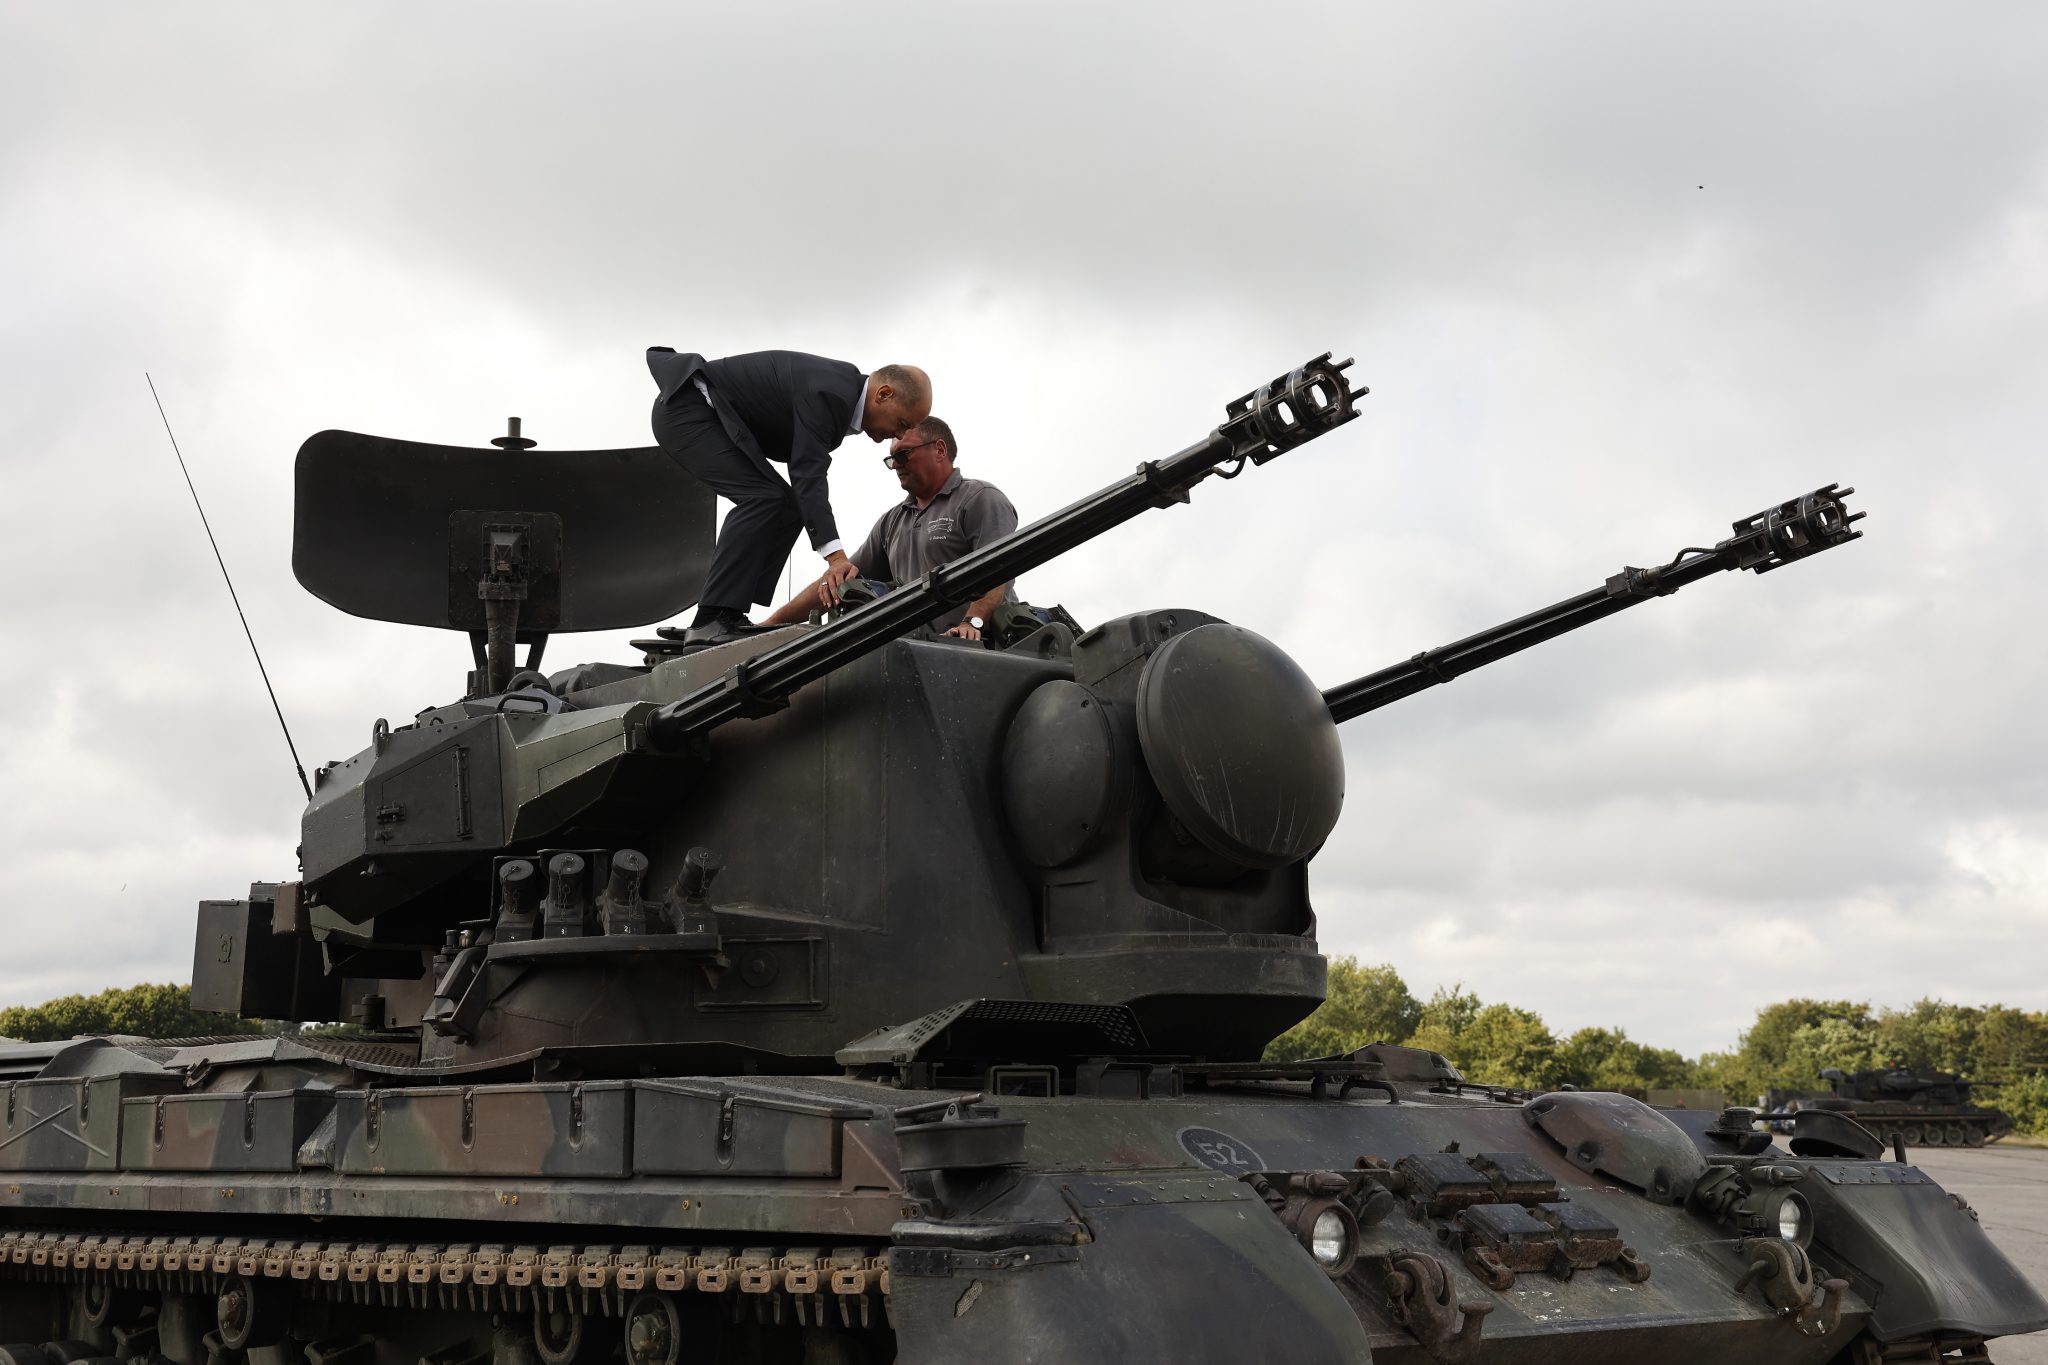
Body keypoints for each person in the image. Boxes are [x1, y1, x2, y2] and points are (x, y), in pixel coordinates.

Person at [646, 347, 932, 644]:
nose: (901, 435)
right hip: (688, 409)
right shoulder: (833, 394)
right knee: (762, 499)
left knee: (787, 507)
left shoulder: (841, 390)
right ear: (883, 394)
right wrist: (835, 558)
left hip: (707, 415)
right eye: (903, 423)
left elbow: (804, 476)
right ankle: (712, 619)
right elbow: (807, 472)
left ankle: (725, 613)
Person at [762, 416, 1018, 639]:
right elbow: (840, 580)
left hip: (981, 650)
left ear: (940, 450)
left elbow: (998, 569)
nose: (895, 465)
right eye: (891, 458)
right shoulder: (892, 522)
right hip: (916, 652)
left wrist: (971, 623)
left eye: (903, 454)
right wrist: (770, 624)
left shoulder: (979, 498)